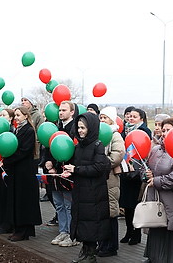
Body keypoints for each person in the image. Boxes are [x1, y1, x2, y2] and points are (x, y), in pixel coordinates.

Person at [62, 112, 111, 263]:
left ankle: (91, 254)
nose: (80, 131)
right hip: (81, 191)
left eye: (83, 128)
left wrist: (76, 170)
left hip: (94, 193)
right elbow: (79, 166)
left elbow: (98, 168)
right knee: (82, 222)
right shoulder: (79, 146)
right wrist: (70, 172)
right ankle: (85, 250)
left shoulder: (98, 145)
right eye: (79, 128)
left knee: (92, 223)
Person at [143, 116, 173, 263]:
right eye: (163, 130)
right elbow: (145, 166)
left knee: (171, 234)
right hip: (156, 199)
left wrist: (157, 181)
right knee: (156, 229)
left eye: (168, 130)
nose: (164, 133)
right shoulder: (156, 149)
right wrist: (145, 174)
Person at [2, 106, 42, 241]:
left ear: (26, 116)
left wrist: (7, 161)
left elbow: (23, 151)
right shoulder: (19, 130)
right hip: (17, 171)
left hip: (25, 172)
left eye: (19, 115)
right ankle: (19, 228)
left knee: (23, 201)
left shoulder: (29, 131)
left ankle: (23, 230)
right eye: (15, 116)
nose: (16, 118)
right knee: (17, 200)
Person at [46, 101, 78, 247]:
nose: (60, 112)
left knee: (69, 204)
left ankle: (72, 234)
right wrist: (49, 163)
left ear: (72, 112)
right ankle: (63, 231)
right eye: (59, 110)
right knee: (59, 204)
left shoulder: (75, 128)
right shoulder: (57, 128)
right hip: (56, 172)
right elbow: (51, 147)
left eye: (64, 110)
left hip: (69, 173)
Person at [120, 108, 152, 245]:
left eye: (134, 116)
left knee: (135, 205)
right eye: (129, 116)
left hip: (138, 174)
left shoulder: (144, 131)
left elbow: (144, 152)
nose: (130, 118)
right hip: (127, 170)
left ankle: (136, 233)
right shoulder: (125, 130)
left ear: (141, 118)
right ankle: (128, 231)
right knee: (127, 205)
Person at [96, 106, 125, 257]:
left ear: (112, 120)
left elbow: (117, 156)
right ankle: (102, 243)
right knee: (101, 214)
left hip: (110, 179)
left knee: (111, 213)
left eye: (105, 118)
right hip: (99, 179)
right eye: (101, 117)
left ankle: (111, 246)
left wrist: (99, 162)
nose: (102, 120)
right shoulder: (98, 135)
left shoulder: (115, 136)